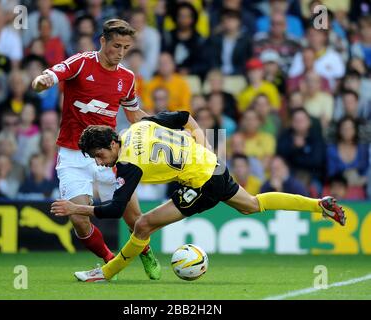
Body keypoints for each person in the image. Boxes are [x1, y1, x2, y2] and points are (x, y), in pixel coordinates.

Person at [50, 111, 346, 282]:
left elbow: (115, 209)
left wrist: (76, 207)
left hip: (203, 183)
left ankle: (106, 273)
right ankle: (319, 205)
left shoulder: (129, 164)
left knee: (142, 226)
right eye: (95, 159)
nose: (100, 163)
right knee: (253, 205)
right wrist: (204, 145)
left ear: (113, 143)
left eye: (100, 156)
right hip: (213, 164)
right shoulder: (138, 126)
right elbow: (186, 117)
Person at [32, 18, 160, 280]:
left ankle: (145, 252)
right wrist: (41, 81)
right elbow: (51, 74)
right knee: (79, 220)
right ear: (102, 41)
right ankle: (109, 260)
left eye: (126, 47)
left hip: (110, 155)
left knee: (134, 216)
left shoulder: (127, 77)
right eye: (116, 46)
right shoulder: (81, 63)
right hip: (72, 154)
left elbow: (134, 114)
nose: (120, 53)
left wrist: (161, 129)